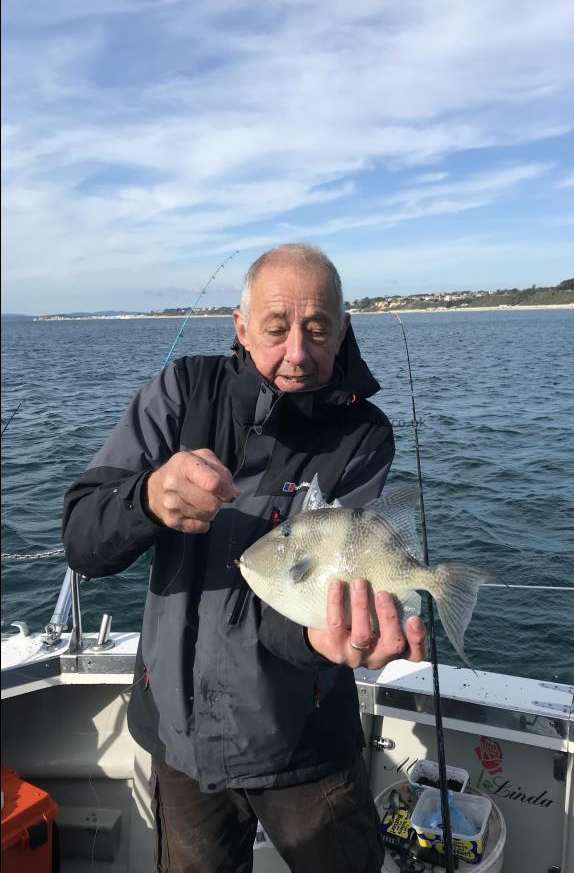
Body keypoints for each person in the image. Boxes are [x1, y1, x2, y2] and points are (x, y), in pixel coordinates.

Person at [62, 244, 426, 873]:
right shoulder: (182, 392)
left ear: (342, 329)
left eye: (318, 330)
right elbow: (83, 539)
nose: (298, 352)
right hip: (180, 742)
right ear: (240, 326)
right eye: (277, 328)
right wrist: (146, 499)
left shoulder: (363, 434)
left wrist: (325, 638)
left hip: (307, 745)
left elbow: (320, 594)